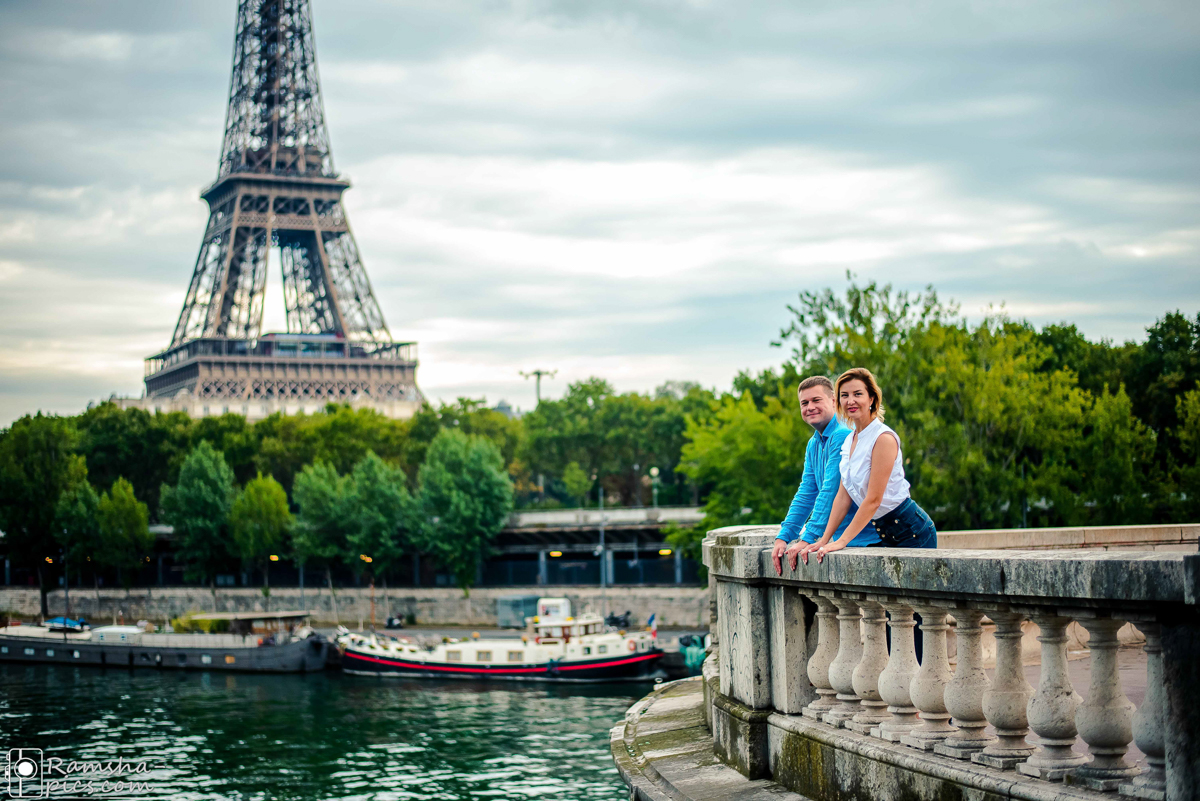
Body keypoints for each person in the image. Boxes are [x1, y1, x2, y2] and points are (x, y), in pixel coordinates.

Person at [803, 367, 936, 565]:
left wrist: (842, 541)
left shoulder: (883, 438)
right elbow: (843, 496)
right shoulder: (849, 440)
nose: (850, 401)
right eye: (844, 395)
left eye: (858, 394)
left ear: (872, 398)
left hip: (912, 531)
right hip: (885, 533)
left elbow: (873, 499)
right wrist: (823, 540)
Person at [770, 376, 880, 576]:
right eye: (804, 403)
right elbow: (806, 493)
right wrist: (783, 537)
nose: (809, 407)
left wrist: (808, 538)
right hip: (844, 542)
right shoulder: (814, 443)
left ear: (833, 401)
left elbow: (831, 491)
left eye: (816, 400)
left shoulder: (842, 434)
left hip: (869, 540)